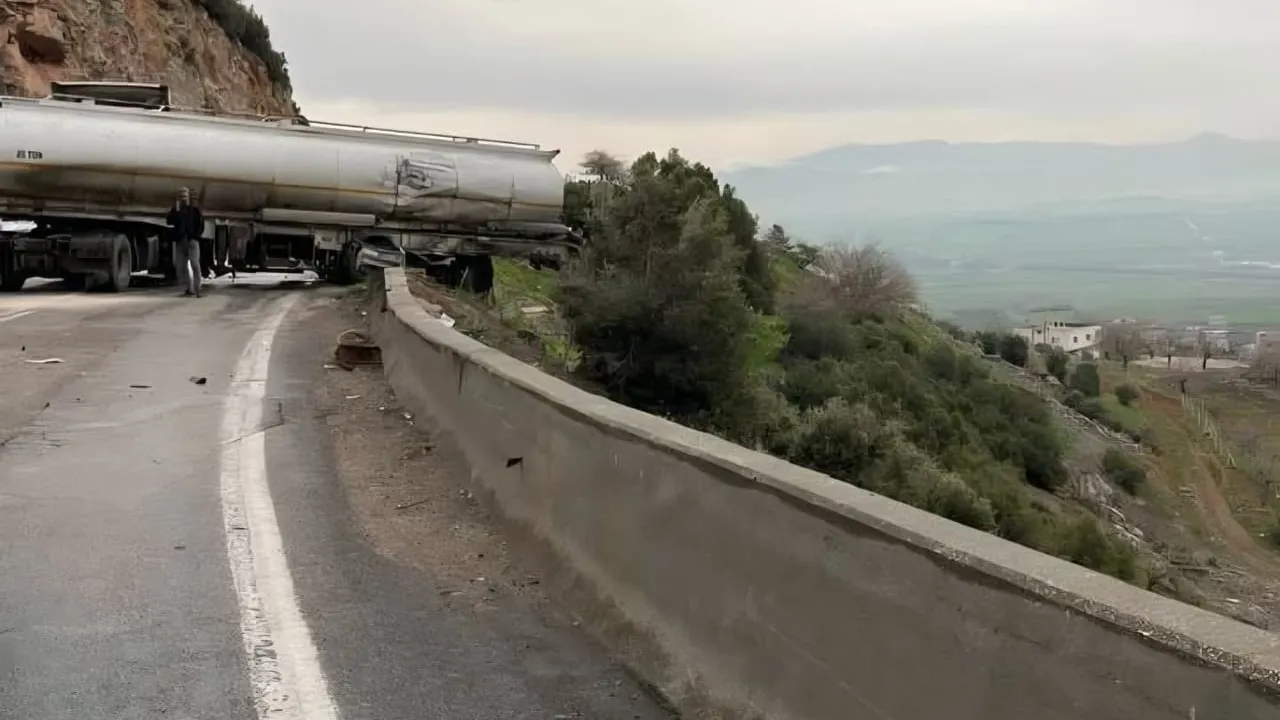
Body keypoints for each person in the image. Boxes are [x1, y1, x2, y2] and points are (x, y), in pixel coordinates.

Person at [167, 187, 204, 297]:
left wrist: (195, 236)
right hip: (180, 241)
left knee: (195, 264)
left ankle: (197, 289)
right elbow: (169, 221)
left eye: (185, 196)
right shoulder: (176, 211)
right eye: (181, 197)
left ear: (188, 197)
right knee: (181, 266)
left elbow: (201, 225)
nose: (183, 199)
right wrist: (176, 209)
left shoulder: (194, 211)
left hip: (192, 241)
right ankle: (189, 288)